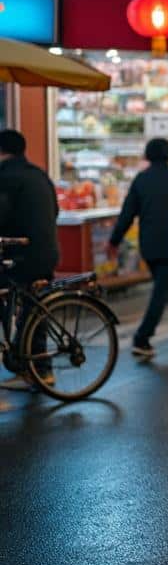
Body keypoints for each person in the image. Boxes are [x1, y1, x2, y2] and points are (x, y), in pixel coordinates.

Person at [108, 138, 168, 360]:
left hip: (149, 245)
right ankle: (142, 338)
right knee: (163, 291)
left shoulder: (141, 180)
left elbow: (127, 213)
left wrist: (114, 240)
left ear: (148, 155)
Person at [0, 130, 59, 392]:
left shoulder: (5, 177)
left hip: (21, 254)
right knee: (35, 305)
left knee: (27, 303)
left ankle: (28, 364)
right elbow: (55, 210)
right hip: (45, 250)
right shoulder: (38, 173)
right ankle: (38, 369)